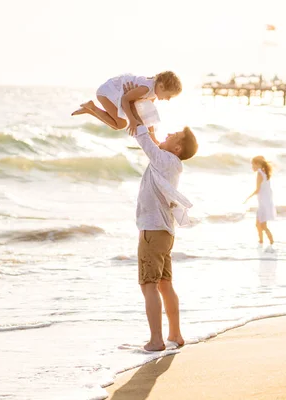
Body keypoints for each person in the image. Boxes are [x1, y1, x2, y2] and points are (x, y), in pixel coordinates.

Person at [127, 83, 198, 351]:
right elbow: (153, 138)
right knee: (165, 285)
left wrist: (129, 107)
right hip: (164, 232)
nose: (169, 134)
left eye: (175, 135)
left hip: (153, 231)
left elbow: (144, 139)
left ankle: (156, 340)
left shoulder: (165, 160)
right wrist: (142, 110)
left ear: (177, 148)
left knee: (149, 285)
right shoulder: (170, 161)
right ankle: (175, 335)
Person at [71, 71, 182, 135]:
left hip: (117, 93)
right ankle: (92, 108)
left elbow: (148, 118)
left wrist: (153, 138)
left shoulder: (153, 94)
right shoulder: (146, 88)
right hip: (107, 91)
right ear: (161, 86)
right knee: (121, 124)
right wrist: (132, 120)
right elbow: (125, 99)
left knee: (118, 125)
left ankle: (90, 109)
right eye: (168, 96)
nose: (168, 99)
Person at [244, 155, 275, 249]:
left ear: (257, 164)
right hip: (265, 201)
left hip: (263, 203)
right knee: (259, 224)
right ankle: (262, 241)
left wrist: (247, 198)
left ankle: (270, 241)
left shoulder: (260, 173)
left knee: (262, 225)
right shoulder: (265, 172)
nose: (252, 167)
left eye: (253, 165)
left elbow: (257, 189)